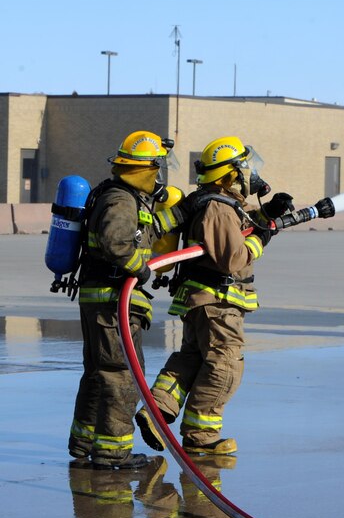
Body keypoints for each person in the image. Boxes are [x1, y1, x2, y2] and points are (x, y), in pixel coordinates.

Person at [137, 136, 293, 456]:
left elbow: (245, 225)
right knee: (225, 365)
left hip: (201, 300)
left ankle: (157, 412)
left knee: (191, 360)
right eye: (245, 167)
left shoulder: (215, 201)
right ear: (230, 174)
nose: (251, 173)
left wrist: (270, 214)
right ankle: (201, 434)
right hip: (218, 302)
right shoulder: (219, 208)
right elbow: (235, 257)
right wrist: (263, 238)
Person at [69, 131, 188, 470]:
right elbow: (117, 243)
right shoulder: (121, 199)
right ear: (146, 169)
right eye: (157, 169)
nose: (160, 176)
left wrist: (177, 215)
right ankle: (112, 453)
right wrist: (143, 270)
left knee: (98, 373)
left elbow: (142, 232)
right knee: (121, 375)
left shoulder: (120, 195)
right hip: (112, 302)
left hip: (101, 299)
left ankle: (84, 441)